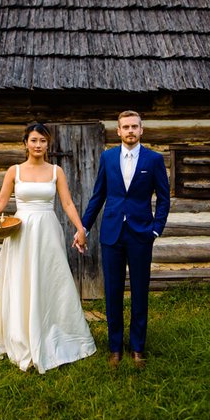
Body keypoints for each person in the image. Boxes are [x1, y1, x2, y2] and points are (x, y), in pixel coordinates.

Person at [0, 122, 96, 374]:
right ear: (25, 143)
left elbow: (67, 203)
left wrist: (80, 228)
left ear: (48, 144)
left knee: (50, 279)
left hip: (47, 230)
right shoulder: (14, 171)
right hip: (21, 231)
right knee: (21, 280)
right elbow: (0, 202)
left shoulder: (56, 172)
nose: (38, 145)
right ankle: (21, 335)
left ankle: (52, 329)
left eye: (42, 140)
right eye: (33, 140)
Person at [74, 110, 170, 369]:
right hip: (112, 233)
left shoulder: (154, 160)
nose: (130, 131)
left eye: (134, 127)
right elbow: (98, 196)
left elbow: (163, 198)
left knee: (140, 291)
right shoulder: (107, 158)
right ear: (118, 131)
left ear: (141, 130)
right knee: (113, 292)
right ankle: (115, 347)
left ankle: (138, 347)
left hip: (141, 234)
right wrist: (84, 226)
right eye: (125, 127)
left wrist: (156, 229)